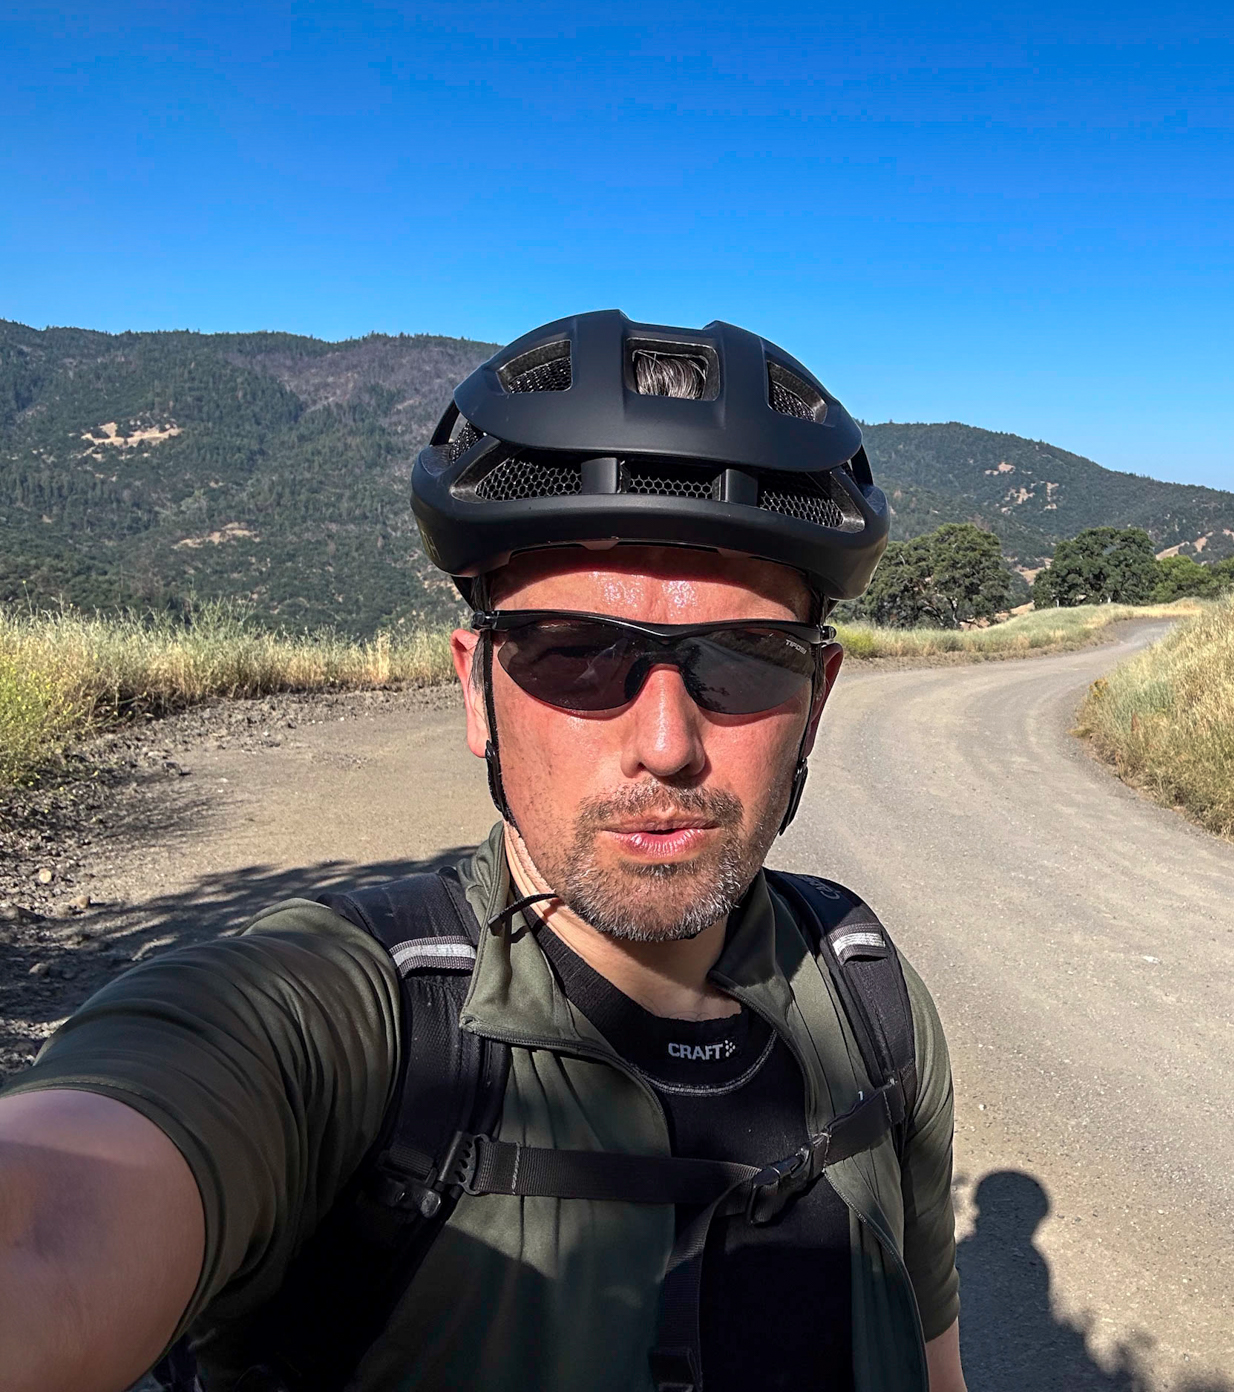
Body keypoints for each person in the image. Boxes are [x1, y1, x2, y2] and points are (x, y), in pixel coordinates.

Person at [0, 312, 964, 1392]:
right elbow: (50, 1228)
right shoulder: (352, 1025)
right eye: (575, 652)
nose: (666, 744)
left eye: (744, 657)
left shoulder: (868, 997)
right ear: (476, 688)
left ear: (816, 701)